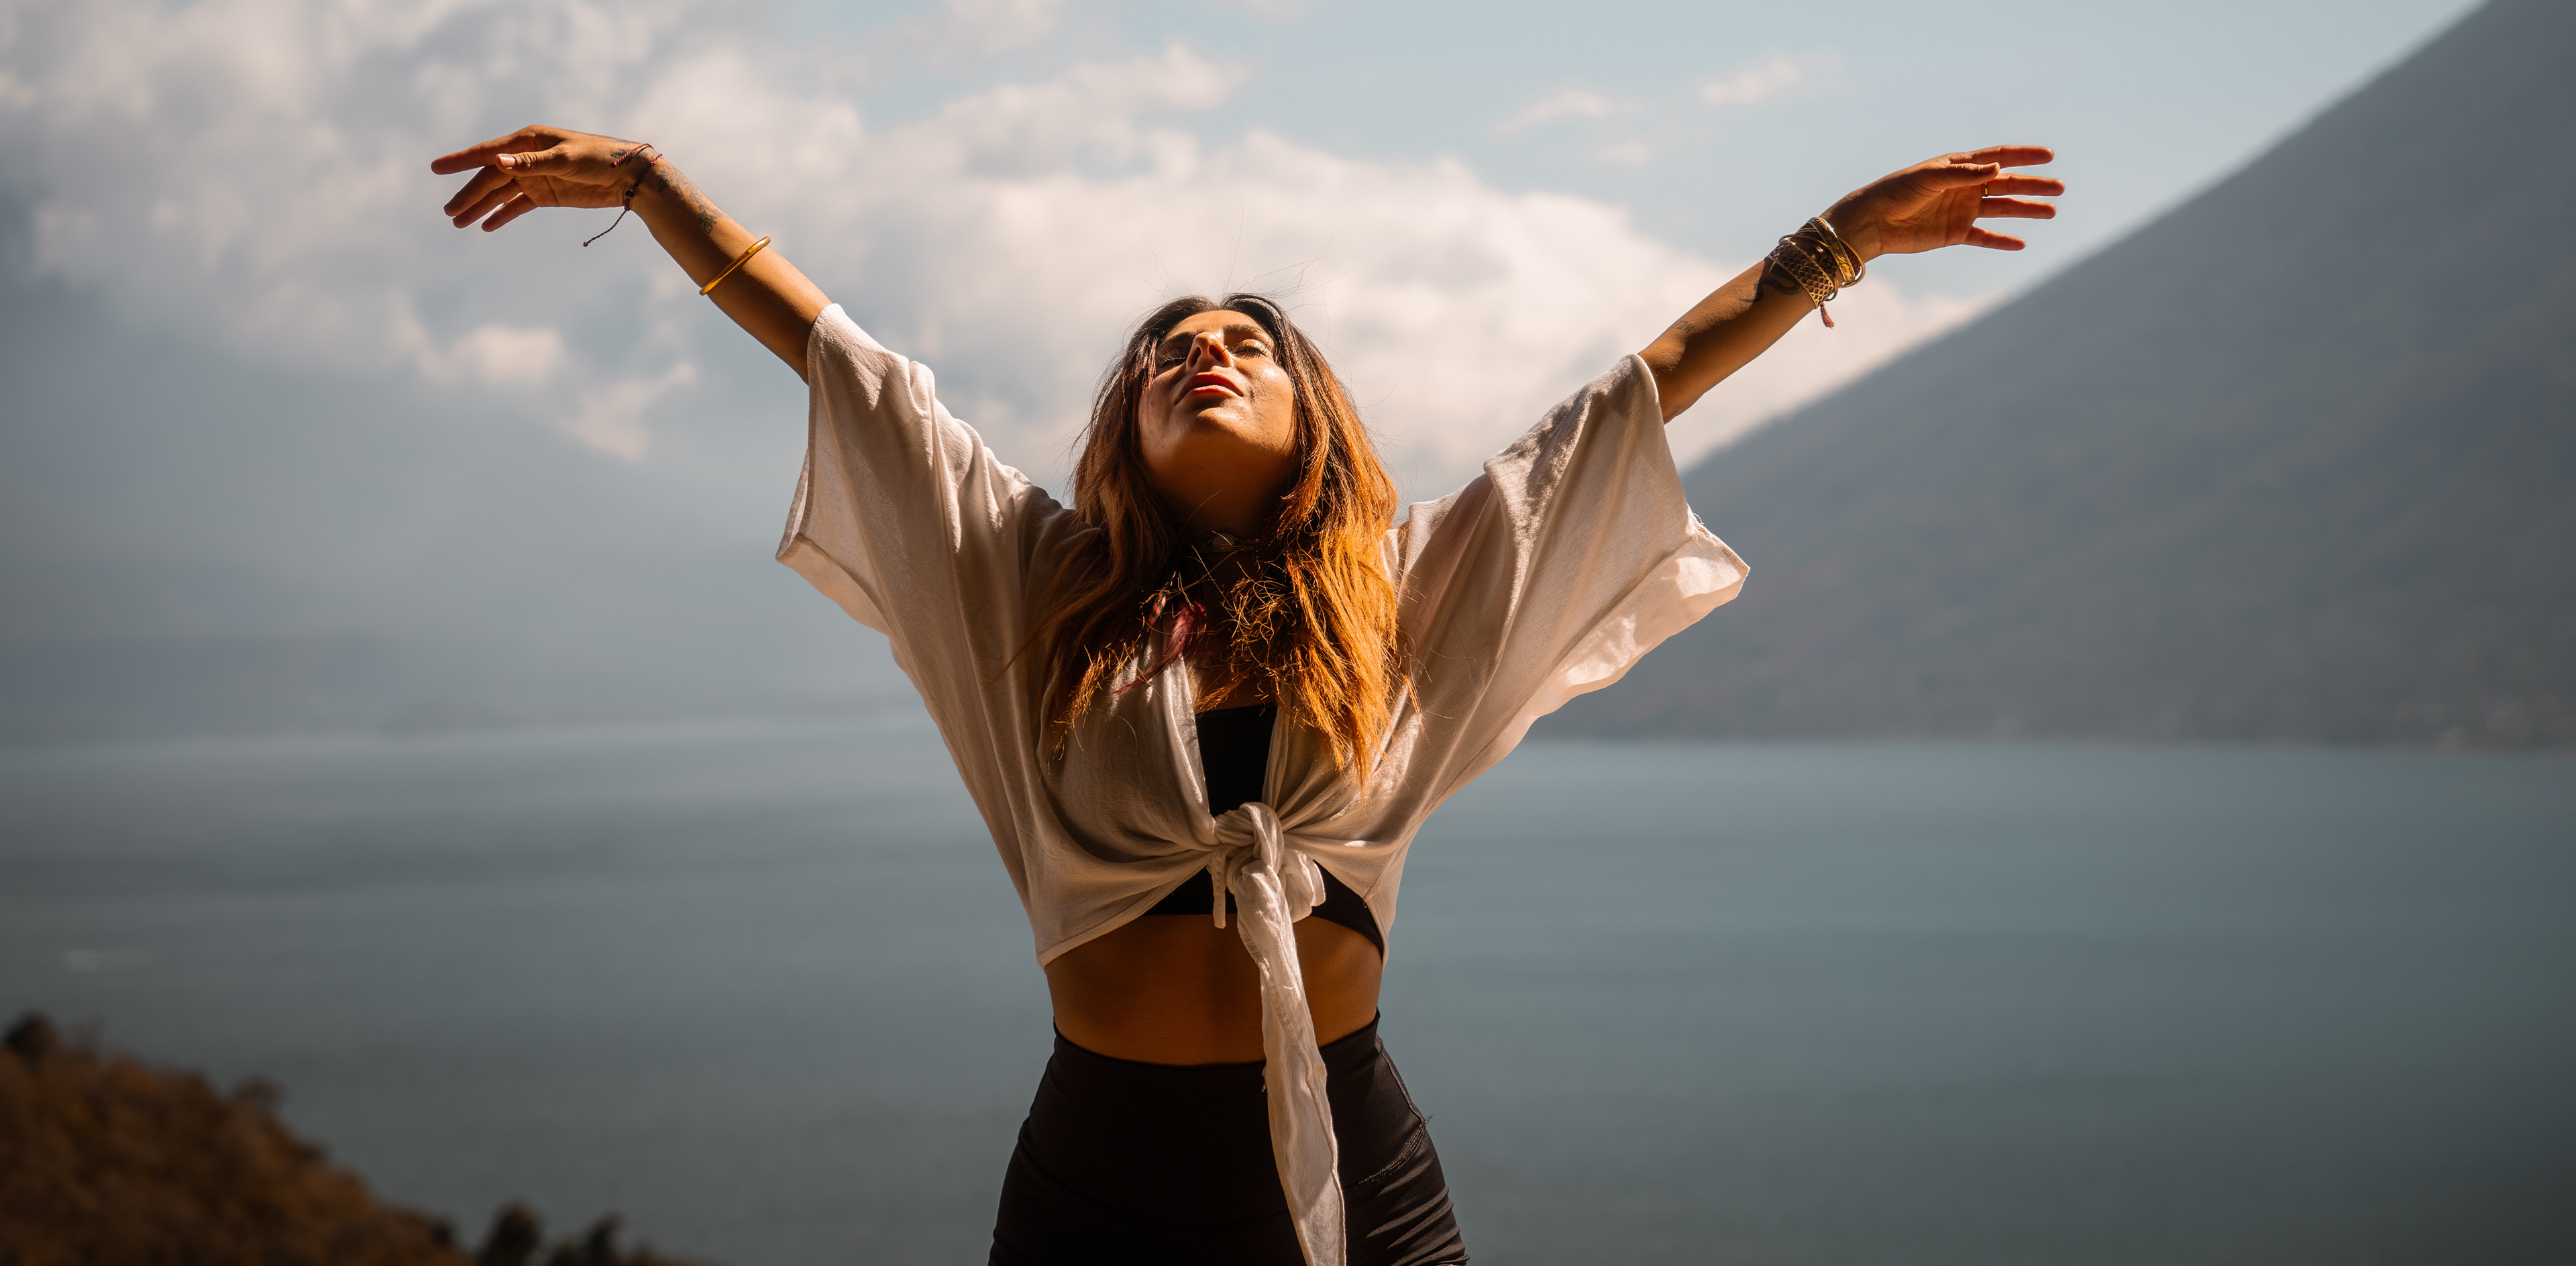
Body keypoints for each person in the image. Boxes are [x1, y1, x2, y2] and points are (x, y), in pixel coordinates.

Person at [433, 129, 2061, 1266]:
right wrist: (647, 187)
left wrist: (1835, 241)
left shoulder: (1410, 592)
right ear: (1123, 425)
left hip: (1357, 1162)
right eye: (1165, 352)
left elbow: (1639, 389)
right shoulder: (1035, 587)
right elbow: (848, 366)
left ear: (1315, 413)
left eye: (1241, 343)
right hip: (1099, 1180)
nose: (1198, 355)